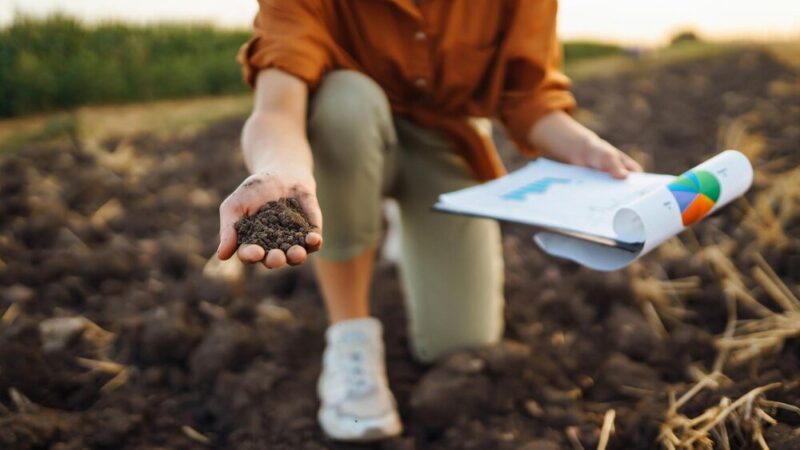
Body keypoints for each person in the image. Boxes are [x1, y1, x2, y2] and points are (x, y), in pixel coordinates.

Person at [217, 0, 642, 442]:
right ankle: (350, 336)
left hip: (446, 140)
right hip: (345, 139)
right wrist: (280, 168)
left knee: (459, 344)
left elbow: (529, 95)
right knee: (347, 101)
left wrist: (587, 148)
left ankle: (407, 223)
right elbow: (277, 109)